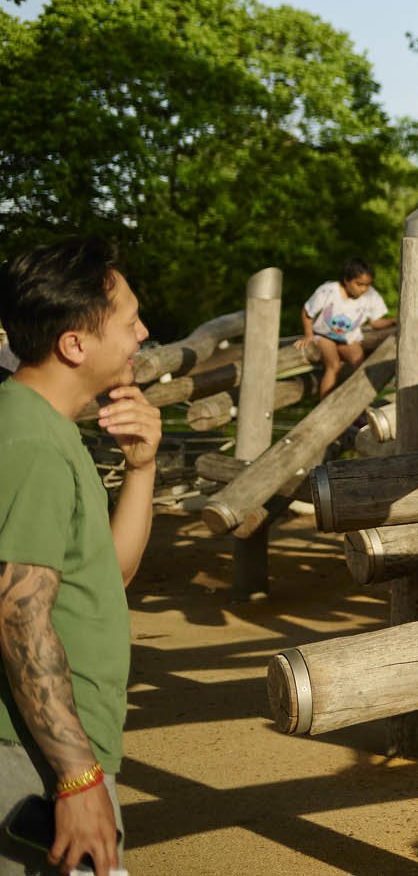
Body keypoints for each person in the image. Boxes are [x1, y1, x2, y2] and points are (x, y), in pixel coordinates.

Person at [0, 238, 161, 876]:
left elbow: (109, 576)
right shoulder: (30, 443)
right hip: (34, 759)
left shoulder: (48, 429)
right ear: (75, 344)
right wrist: (76, 778)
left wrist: (141, 468)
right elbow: (19, 616)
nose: (143, 333)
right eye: (130, 321)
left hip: (56, 751)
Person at [299, 258, 394, 399]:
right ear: (346, 280)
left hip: (348, 338)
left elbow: (375, 322)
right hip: (324, 336)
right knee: (334, 366)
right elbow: (307, 313)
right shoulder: (329, 291)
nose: (364, 289)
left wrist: (393, 321)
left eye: (367, 285)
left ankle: (358, 406)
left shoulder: (370, 295)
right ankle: (325, 405)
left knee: (361, 366)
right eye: (359, 284)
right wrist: (308, 335)